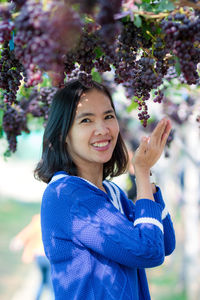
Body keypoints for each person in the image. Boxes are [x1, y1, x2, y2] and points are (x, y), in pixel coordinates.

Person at [34, 79, 176, 300]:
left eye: (108, 117)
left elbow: (164, 242)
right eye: (86, 120)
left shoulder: (112, 193)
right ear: (63, 135)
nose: (102, 129)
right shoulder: (67, 194)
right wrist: (141, 170)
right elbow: (149, 251)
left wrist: (146, 177)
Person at [10, 214, 53, 300]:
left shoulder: (36, 222)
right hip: (48, 256)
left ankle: (38, 297)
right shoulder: (52, 221)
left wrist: (17, 243)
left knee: (42, 279)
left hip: (38, 256)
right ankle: (53, 297)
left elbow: (26, 234)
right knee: (50, 280)